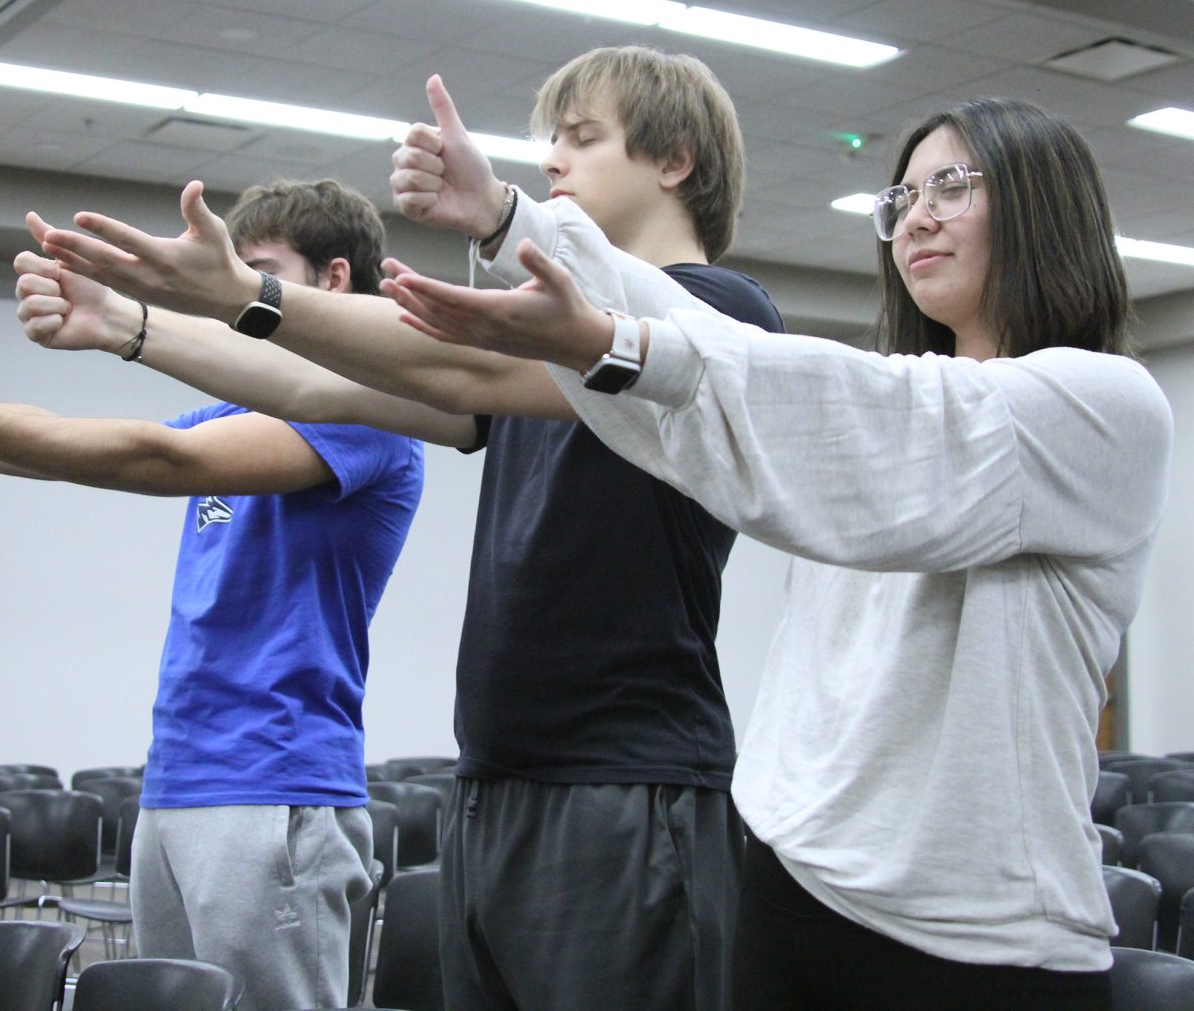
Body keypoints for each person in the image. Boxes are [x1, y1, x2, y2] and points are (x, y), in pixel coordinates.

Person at [24, 46, 787, 1010]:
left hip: (626, 784)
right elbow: (322, 384)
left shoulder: (721, 313)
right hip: (498, 778)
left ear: (674, 160)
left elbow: (451, 370)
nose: (553, 161)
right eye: (549, 142)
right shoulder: (545, 347)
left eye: (582, 140)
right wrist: (129, 325)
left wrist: (241, 294)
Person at [377, 95, 1174, 1009]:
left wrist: (609, 340)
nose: (915, 216)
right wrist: (511, 220)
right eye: (902, 197)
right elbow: (724, 356)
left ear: (1045, 203)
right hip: (794, 888)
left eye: (951, 186)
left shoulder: (1105, 406)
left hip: (978, 942)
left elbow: (842, 404)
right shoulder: (889, 403)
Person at [1, 179, 431, 1011]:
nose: (233, 294)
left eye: (259, 270)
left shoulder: (374, 411)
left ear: (334, 279)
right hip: (181, 780)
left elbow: (159, 461)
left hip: (273, 781)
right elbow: (76, 453)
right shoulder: (232, 412)